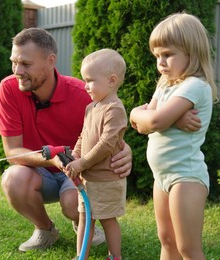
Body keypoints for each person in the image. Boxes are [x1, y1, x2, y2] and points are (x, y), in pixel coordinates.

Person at [0, 28, 133, 252]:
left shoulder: (82, 94)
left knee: (74, 204)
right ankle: (45, 230)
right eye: (14, 62)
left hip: (79, 171)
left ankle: (84, 221)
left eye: (26, 64)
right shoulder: (9, 89)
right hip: (40, 172)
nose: (17, 71)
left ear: (51, 61)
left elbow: (111, 131)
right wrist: (51, 160)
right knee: (13, 179)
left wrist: (125, 150)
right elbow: (12, 152)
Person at [129, 13, 217, 260]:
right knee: (166, 240)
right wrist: (139, 113)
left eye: (168, 54)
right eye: (157, 56)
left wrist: (151, 116)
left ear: (191, 51)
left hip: (185, 176)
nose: (161, 62)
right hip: (162, 177)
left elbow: (154, 120)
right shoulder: (166, 85)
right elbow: (140, 124)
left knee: (188, 248)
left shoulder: (196, 85)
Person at [63, 49, 128, 260]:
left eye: (90, 80)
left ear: (111, 80)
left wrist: (84, 162)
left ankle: (114, 256)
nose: (85, 85)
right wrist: (75, 156)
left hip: (107, 178)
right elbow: (84, 135)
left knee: (107, 219)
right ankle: (80, 256)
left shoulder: (114, 109)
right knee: (85, 218)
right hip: (88, 178)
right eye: (84, 80)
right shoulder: (91, 107)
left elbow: (107, 144)